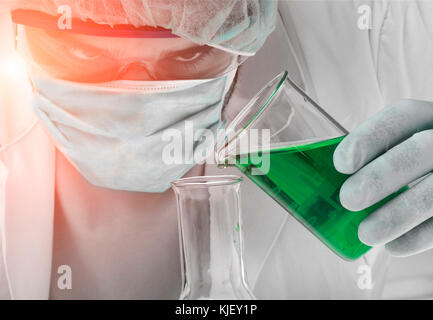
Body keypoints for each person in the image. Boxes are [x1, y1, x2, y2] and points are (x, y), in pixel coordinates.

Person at [0, 0, 431, 300]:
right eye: (80, 51)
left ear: (243, 46)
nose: (135, 96)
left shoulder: (371, 21)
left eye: (188, 57)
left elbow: (416, 279)